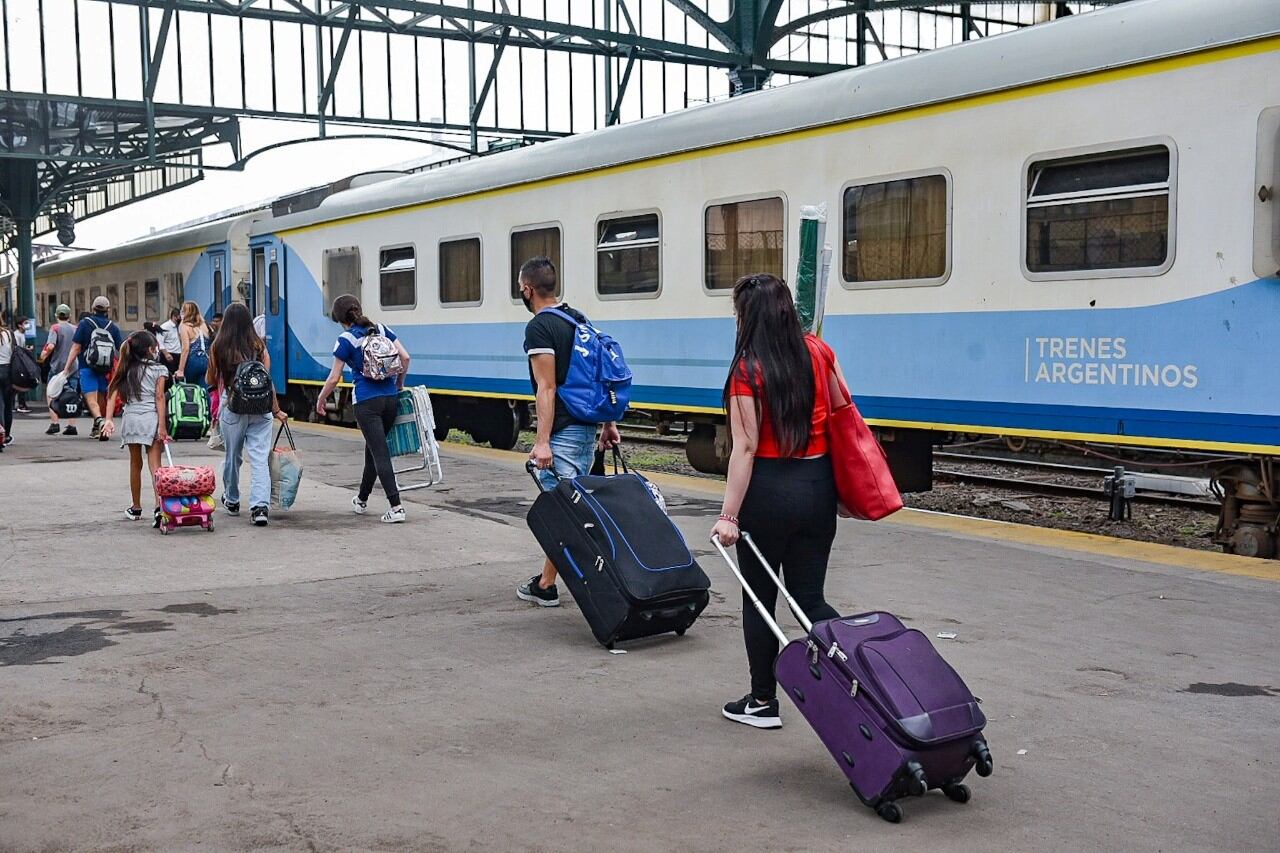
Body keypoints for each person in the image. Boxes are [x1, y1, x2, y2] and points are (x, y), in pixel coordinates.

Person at [710, 273, 845, 731]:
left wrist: (729, 515)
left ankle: (763, 702)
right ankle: (858, 674)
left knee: (761, 601)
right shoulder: (819, 351)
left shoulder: (748, 369)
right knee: (810, 598)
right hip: (817, 488)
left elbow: (744, 448)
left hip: (769, 493)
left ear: (747, 317)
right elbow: (845, 412)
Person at [514, 256, 621, 607]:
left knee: (565, 514)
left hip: (564, 432)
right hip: (587, 428)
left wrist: (542, 443)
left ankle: (605, 578)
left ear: (527, 289)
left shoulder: (540, 328)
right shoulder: (579, 319)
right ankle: (546, 583)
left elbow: (546, 389)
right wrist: (607, 423)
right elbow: (599, 377)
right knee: (566, 509)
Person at [315, 294, 411, 524]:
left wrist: (321, 399)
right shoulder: (381, 329)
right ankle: (361, 499)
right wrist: (398, 384)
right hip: (390, 399)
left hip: (367, 402)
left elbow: (334, 377)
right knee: (373, 450)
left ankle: (396, 507)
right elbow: (405, 358)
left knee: (379, 453)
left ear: (339, 319)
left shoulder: (345, 340)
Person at [207, 302, 287, 526]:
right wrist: (277, 410)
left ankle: (232, 500)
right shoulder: (258, 346)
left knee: (233, 456)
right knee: (260, 459)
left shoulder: (218, 346)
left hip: (232, 406)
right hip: (261, 408)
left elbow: (210, 380)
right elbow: (266, 379)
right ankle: (260, 507)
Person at [101, 331, 170, 524]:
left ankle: (136, 507)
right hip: (151, 419)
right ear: (150, 350)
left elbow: (112, 393)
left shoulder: (126, 368)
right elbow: (159, 398)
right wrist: (162, 428)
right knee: (155, 465)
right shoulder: (159, 370)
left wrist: (108, 419)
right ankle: (159, 507)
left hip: (131, 419)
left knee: (135, 463)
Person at [61, 296, 124, 441]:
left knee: (90, 398)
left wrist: (67, 368)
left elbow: (76, 347)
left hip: (86, 366)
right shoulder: (112, 327)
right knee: (102, 397)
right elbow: (121, 348)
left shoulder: (85, 324)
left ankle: (100, 422)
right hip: (105, 369)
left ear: (93, 308)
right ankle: (98, 427)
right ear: (108, 310)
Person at [41, 304, 79, 435]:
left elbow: (51, 345)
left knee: (51, 393)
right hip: (73, 367)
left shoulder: (55, 328)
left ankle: (55, 423)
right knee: (72, 394)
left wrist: (44, 354)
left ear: (56, 315)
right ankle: (71, 426)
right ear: (69, 316)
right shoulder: (76, 328)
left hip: (58, 367)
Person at [175, 301, 212, 390]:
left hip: (193, 361)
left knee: (191, 389)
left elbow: (185, 349)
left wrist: (180, 370)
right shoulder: (205, 325)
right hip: (207, 360)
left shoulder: (184, 326)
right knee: (205, 389)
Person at [0, 315, 15, 446]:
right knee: (8, 406)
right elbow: (14, 352)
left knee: (0, 405)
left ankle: (1, 435)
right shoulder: (9, 334)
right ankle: (7, 435)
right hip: (8, 371)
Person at [13, 316, 32, 413]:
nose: (28, 325)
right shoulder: (17, 335)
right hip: (19, 362)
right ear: (19, 325)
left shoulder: (21, 334)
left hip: (21, 361)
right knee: (20, 382)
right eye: (25, 323)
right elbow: (17, 348)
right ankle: (21, 404)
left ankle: (20, 404)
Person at [158, 307, 183, 374]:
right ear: (174, 316)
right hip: (170, 354)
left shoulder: (179, 327)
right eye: (179, 317)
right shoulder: (165, 327)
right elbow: (159, 341)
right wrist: (166, 354)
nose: (181, 319)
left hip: (179, 354)